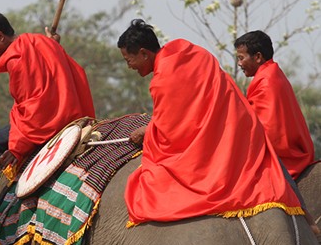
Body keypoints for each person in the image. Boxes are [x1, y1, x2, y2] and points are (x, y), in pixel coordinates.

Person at [117, 19, 303, 227]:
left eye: (129, 60)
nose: (129, 66)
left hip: (234, 134)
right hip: (239, 124)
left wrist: (148, 131)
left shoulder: (163, 80)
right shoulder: (187, 50)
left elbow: (173, 129)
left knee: (150, 181)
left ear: (144, 53)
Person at [0, 10, 95, 244]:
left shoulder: (16, 57)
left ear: (0, 36)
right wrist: (54, 46)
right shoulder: (43, 42)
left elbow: (33, 107)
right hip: (72, 117)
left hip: (47, 123)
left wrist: (17, 147)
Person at [234, 30, 315, 179]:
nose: (239, 63)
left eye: (241, 58)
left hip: (285, 160)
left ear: (258, 57)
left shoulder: (266, 82)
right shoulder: (273, 73)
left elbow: (268, 131)